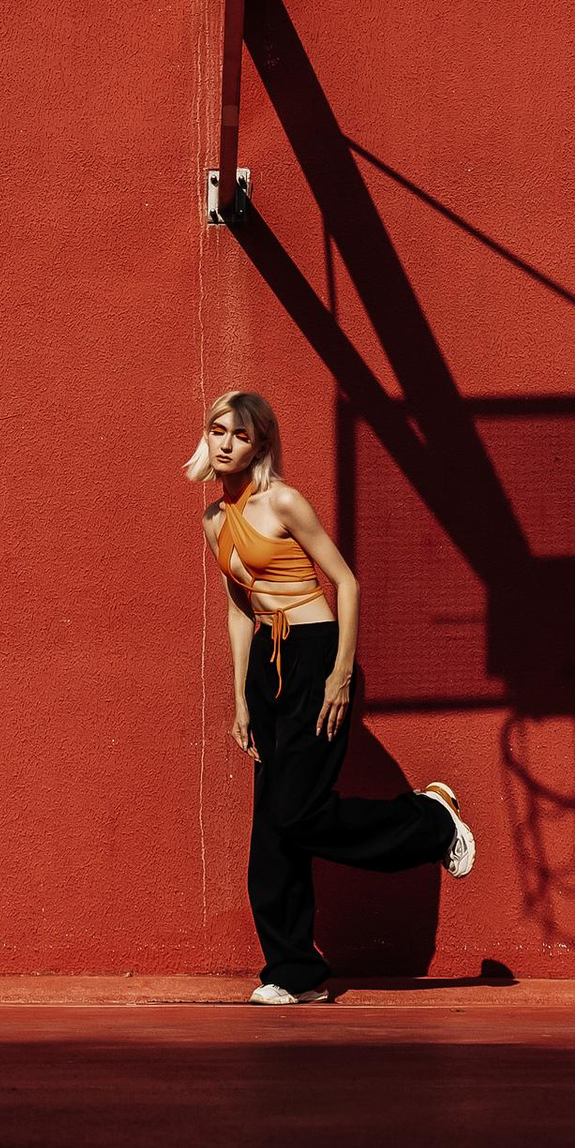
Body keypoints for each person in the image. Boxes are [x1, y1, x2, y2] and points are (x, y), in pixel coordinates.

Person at [190, 388, 474, 1004]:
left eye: (240, 434)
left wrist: (340, 673)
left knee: (297, 814)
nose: (227, 443)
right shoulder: (213, 519)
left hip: (317, 654)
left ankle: (431, 821)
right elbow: (241, 606)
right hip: (269, 667)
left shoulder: (284, 502)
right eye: (218, 431)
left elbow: (346, 582)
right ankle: (293, 972)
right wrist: (241, 697)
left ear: (261, 443)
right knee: (271, 834)